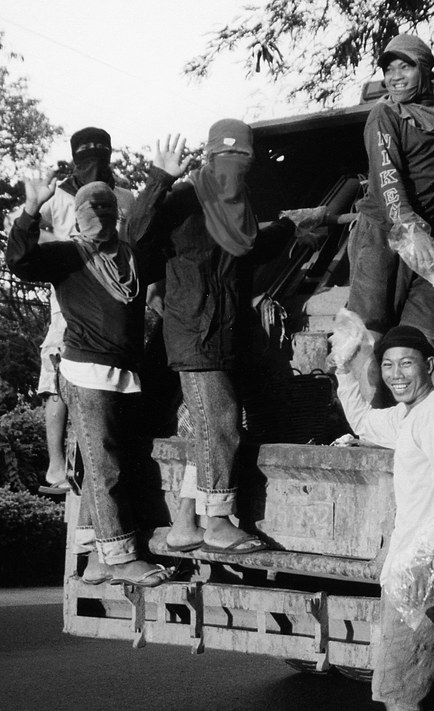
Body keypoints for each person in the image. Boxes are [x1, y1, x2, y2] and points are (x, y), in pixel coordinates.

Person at [127, 125, 304, 554]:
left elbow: (251, 250)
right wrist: (159, 178)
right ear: (207, 158)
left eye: (241, 158)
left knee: (203, 432)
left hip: (223, 338)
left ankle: (185, 523)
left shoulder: (239, 209)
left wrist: (293, 228)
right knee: (221, 426)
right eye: (225, 157)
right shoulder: (183, 200)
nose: (232, 168)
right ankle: (219, 523)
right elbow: (134, 234)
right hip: (194, 337)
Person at [6, 174, 170, 587]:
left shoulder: (131, 256)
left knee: (112, 465)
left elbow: (149, 227)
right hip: (87, 374)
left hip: (124, 375)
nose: (97, 214)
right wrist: (32, 210)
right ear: (76, 218)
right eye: (88, 208)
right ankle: (120, 556)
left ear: (117, 215)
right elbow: (20, 262)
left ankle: (98, 557)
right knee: (106, 468)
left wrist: (162, 178)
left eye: (104, 207)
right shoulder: (68, 255)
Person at [333, 325, 434, 711]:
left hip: (425, 569)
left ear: (429, 365)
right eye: (388, 365)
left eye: (406, 364)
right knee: (407, 691)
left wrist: (420, 557)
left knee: (399, 695)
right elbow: (363, 423)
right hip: (410, 568)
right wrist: (344, 370)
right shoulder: (409, 415)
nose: (396, 374)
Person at [10, 127, 136, 495]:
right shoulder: (60, 195)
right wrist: (61, 247)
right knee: (57, 374)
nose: (95, 161)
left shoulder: (124, 195)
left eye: (102, 152)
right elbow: (20, 238)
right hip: (68, 290)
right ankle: (55, 467)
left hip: (114, 290)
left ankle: (91, 460)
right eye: (87, 154)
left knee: (107, 380)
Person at [346, 34, 434, 403]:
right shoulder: (384, 115)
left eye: (404, 66)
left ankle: (430, 426)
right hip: (384, 234)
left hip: (424, 233)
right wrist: (413, 231)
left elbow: (428, 174)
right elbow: (388, 179)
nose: (395, 76)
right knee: (370, 333)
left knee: (420, 336)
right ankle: (372, 423)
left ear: (423, 69)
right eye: (389, 69)